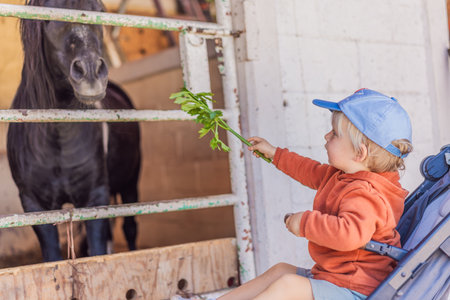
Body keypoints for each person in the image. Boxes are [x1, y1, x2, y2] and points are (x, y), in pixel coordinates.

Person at [171, 88, 413, 300]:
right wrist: (275, 154)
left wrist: (304, 222)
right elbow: (310, 171)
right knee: (281, 271)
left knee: (289, 286)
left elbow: (350, 234)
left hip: (356, 290)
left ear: (359, 153)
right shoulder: (343, 176)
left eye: (334, 134)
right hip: (338, 278)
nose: (326, 136)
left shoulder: (366, 194)